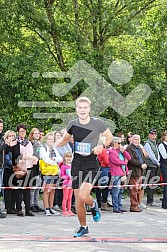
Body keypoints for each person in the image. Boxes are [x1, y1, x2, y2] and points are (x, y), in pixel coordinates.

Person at [56, 96, 113, 237]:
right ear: (76, 109)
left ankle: (93, 205)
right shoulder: (73, 124)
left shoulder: (97, 123)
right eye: (80, 108)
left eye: (85, 108)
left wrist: (102, 146)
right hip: (77, 163)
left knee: (83, 195)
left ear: (89, 109)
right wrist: (57, 143)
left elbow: (110, 137)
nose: (82, 110)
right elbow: (64, 140)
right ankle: (83, 227)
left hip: (91, 163)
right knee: (78, 200)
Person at [10, 123, 38, 217]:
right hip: (20, 167)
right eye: (21, 131)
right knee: (19, 189)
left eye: (24, 131)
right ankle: (19, 209)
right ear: (18, 132)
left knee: (27, 189)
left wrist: (33, 158)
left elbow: (31, 152)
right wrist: (31, 157)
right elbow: (18, 156)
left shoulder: (28, 142)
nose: (23, 133)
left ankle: (28, 209)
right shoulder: (15, 142)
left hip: (29, 167)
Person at [39, 132, 63, 216]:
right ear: (46, 140)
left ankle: (51, 207)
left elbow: (60, 158)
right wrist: (54, 161)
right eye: (49, 139)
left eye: (52, 139)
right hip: (47, 172)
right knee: (46, 190)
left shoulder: (54, 148)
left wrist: (53, 159)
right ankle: (46, 208)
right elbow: (45, 159)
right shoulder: (43, 148)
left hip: (54, 171)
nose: (50, 141)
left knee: (53, 190)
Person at [108, 137, 131, 213]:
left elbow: (129, 157)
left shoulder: (120, 151)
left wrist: (124, 151)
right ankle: (115, 207)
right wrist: (125, 162)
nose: (120, 145)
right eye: (119, 143)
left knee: (121, 191)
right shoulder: (111, 151)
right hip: (116, 173)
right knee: (116, 191)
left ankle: (120, 206)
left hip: (123, 172)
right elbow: (116, 161)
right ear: (114, 143)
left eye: (121, 143)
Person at [126, 135, 147, 212]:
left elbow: (143, 158)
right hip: (133, 172)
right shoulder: (129, 148)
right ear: (131, 139)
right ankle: (133, 206)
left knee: (138, 189)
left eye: (138, 140)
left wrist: (144, 164)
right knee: (133, 190)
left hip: (140, 172)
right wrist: (140, 165)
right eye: (135, 139)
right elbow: (130, 159)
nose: (137, 141)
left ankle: (137, 205)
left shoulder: (139, 148)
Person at [28, 128, 44, 212]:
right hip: (32, 166)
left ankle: (36, 203)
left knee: (38, 185)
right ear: (32, 134)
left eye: (38, 133)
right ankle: (31, 204)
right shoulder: (30, 143)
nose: (37, 135)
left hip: (39, 166)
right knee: (33, 186)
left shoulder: (40, 144)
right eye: (35, 133)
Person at [144, 128, 160, 207]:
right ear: (149, 135)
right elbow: (151, 155)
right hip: (150, 165)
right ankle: (150, 200)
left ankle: (151, 200)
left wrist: (158, 162)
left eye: (154, 134)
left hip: (155, 165)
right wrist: (157, 162)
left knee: (154, 183)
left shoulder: (155, 143)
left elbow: (157, 153)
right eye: (152, 134)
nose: (153, 136)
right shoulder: (147, 143)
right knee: (151, 183)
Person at [3, 130, 17, 214]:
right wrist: (13, 165)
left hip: (15, 169)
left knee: (14, 188)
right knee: (8, 188)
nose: (12, 137)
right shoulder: (6, 146)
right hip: (8, 169)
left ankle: (13, 206)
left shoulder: (15, 145)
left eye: (13, 136)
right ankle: (8, 207)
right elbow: (6, 157)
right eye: (10, 136)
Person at [96, 135, 111, 211]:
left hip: (99, 169)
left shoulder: (97, 149)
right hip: (105, 169)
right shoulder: (104, 150)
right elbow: (106, 161)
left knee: (99, 187)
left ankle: (99, 203)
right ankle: (103, 203)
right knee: (104, 187)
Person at [60, 152, 75, 216]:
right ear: (64, 158)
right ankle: (64, 210)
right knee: (65, 197)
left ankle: (69, 209)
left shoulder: (72, 166)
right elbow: (61, 175)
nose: (68, 158)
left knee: (70, 198)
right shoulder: (63, 166)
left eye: (70, 157)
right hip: (66, 184)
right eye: (67, 157)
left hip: (71, 184)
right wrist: (67, 177)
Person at [0, 119, 8, 218]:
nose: (0, 128)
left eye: (1, 127)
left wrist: (9, 146)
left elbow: (3, 151)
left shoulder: (2, 137)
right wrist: (5, 144)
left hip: (1, 166)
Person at [158, 131, 167, 209]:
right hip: (164, 166)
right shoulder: (161, 145)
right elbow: (164, 156)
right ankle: (165, 204)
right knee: (166, 185)